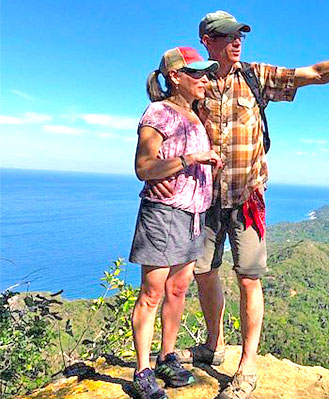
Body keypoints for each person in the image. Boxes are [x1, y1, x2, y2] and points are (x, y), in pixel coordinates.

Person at [149, 11, 329, 399]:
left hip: (247, 198)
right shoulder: (195, 84)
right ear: (206, 40)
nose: (237, 42)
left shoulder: (255, 76)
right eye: (227, 36)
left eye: (240, 36)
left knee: (249, 278)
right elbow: (163, 120)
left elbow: (315, 73)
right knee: (203, 273)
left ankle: (247, 365)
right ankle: (213, 346)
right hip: (203, 200)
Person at [128, 46, 222, 399]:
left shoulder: (196, 116)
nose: (204, 79)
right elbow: (143, 168)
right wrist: (191, 158)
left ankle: (167, 356)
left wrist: (209, 165)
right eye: (196, 73)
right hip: (163, 212)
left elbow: (180, 165)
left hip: (193, 213)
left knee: (178, 289)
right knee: (151, 293)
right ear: (175, 77)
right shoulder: (158, 113)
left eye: (206, 73)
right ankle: (142, 371)